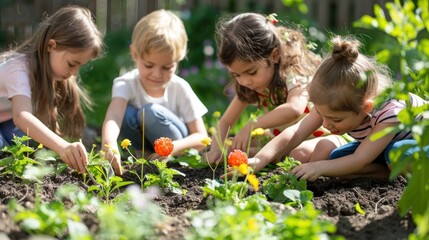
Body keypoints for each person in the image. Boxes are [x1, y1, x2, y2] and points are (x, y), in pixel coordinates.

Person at [249, 35, 429, 180]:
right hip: (380, 146)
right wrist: (260, 159)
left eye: (336, 120)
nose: (325, 124)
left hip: (418, 144)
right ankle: (385, 173)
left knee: (397, 154)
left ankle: (399, 177)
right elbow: (296, 132)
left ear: (366, 107)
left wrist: (318, 167)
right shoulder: (336, 105)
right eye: (322, 115)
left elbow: (360, 159)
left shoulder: (390, 113)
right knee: (336, 160)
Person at [206, 12, 345, 164]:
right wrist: (215, 150)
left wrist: (252, 125)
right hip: (278, 140)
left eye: (251, 72)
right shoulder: (252, 84)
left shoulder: (294, 73)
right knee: (231, 145)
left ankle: (265, 157)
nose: (245, 81)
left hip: (320, 138)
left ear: (275, 55)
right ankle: (265, 156)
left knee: (298, 154)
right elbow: (226, 121)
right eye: (236, 75)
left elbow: (293, 110)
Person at [101, 9, 208, 176]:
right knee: (126, 114)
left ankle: (167, 162)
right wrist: (109, 143)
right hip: (148, 148)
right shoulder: (127, 83)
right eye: (149, 65)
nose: (157, 74)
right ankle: (144, 158)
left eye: (167, 67)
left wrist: (173, 148)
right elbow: (114, 116)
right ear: (134, 54)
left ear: (178, 60)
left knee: (149, 113)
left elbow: (201, 137)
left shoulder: (179, 88)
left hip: (175, 146)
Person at [0, 6, 104, 173]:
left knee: (26, 141)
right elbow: (21, 116)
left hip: (5, 121)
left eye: (80, 66)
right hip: (10, 120)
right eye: (72, 64)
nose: (74, 73)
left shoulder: (47, 70)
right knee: (5, 149)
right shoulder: (18, 69)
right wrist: (62, 147)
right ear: (51, 46)